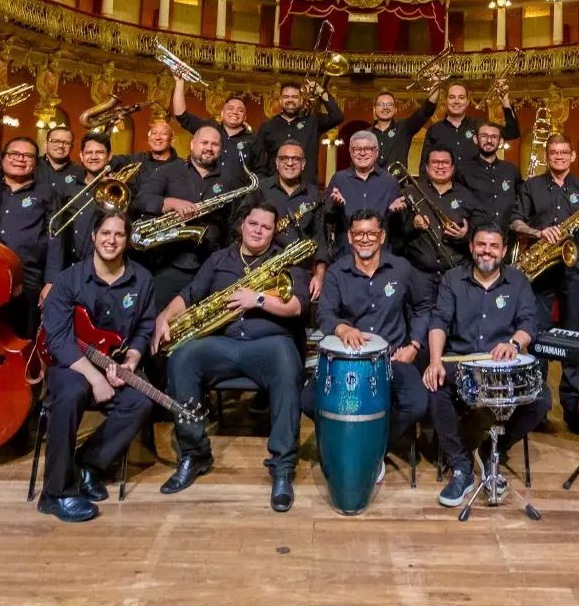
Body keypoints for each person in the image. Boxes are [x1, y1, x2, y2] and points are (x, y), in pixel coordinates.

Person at [153, 199, 308, 511]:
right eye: (253, 224)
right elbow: (191, 294)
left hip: (270, 344)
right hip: (223, 344)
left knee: (288, 363)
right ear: (242, 225)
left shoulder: (286, 260)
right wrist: (164, 317)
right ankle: (195, 454)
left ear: (273, 232)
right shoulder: (219, 259)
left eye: (266, 227)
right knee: (183, 359)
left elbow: (297, 306)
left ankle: (282, 467)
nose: (258, 231)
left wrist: (259, 299)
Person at [36, 211, 156, 523]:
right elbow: (58, 338)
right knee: (72, 393)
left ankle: (88, 464)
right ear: (93, 236)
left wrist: (131, 360)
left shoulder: (142, 279)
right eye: (105, 233)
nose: (111, 240)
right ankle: (55, 494)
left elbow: (144, 327)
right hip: (69, 365)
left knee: (140, 400)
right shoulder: (68, 279)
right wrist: (93, 377)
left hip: (114, 362)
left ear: (127, 240)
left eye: (119, 234)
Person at [422, 224, 550, 508]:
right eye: (481, 244)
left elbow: (530, 322)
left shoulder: (518, 281)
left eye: (493, 246)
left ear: (504, 251)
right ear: (471, 247)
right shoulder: (453, 279)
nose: (486, 251)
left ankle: (491, 448)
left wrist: (514, 344)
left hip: (501, 366)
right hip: (463, 363)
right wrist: (434, 361)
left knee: (541, 401)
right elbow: (439, 320)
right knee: (435, 386)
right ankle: (461, 467)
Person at [305, 209, 430, 467]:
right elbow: (326, 314)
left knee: (417, 403)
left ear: (382, 236)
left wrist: (414, 345)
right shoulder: (337, 272)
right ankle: (346, 441)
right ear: (349, 237)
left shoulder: (401, 268)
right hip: (348, 361)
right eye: (359, 233)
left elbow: (422, 307)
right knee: (306, 400)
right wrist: (342, 329)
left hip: (393, 358)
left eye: (371, 233)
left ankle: (372, 449)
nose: (365, 239)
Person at [510, 133, 579, 436]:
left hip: (573, 271)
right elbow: (515, 222)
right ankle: (539, 408)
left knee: (572, 339)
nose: (559, 157)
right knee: (536, 339)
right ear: (547, 155)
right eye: (554, 152)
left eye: (564, 152)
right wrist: (537, 233)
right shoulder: (532, 186)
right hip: (540, 272)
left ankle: (572, 409)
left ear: (572, 156)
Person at [0, 134, 67, 338]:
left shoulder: (47, 194)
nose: (20, 159)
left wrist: (51, 282)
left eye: (27, 156)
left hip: (27, 280)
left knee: (22, 339)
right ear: (2, 158)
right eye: (14, 154)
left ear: (36, 163)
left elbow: (55, 239)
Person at [135, 125, 236, 308]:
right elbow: (142, 200)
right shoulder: (169, 171)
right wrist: (171, 203)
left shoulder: (229, 180)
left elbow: (232, 222)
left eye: (215, 144)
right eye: (204, 142)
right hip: (167, 265)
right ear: (192, 144)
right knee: (157, 319)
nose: (209, 148)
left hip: (209, 266)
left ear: (220, 149)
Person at [391, 147, 472, 301]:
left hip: (455, 273)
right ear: (426, 168)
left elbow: (478, 232)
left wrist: (464, 235)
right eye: (435, 162)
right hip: (420, 276)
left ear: (453, 167)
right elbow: (396, 234)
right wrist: (413, 225)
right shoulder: (409, 192)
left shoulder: (466, 195)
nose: (440, 166)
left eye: (445, 162)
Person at [260, 139, 327, 296]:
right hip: (263, 272)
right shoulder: (261, 189)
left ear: (303, 164)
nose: (290, 163)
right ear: (277, 163)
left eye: (295, 159)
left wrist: (319, 275)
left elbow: (319, 236)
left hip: (301, 272)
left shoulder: (313, 193)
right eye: (284, 159)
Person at [324, 130, 404, 259]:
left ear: (376, 152)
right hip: (346, 255)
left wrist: (396, 212)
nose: (362, 153)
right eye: (356, 149)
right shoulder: (339, 179)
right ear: (350, 152)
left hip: (381, 256)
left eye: (368, 149)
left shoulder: (390, 181)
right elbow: (327, 218)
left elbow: (398, 228)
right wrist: (335, 205)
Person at [171, 77, 262, 182]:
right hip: (206, 192)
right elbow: (181, 115)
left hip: (241, 195)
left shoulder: (254, 140)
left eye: (240, 110)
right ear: (222, 113)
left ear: (245, 117)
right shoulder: (209, 128)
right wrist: (179, 83)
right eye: (230, 108)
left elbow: (261, 171)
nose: (235, 112)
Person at [421, 82, 520, 177]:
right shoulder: (435, 130)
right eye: (452, 97)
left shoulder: (480, 125)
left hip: (476, 190)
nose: (456, 101)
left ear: (468, 101)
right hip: (445, 191)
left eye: (461, 97)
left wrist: (506, 102)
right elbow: (424, 167)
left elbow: (512, 133)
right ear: (446, 101)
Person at [258, 80, 343, 187]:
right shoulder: (267, 126)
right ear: (280, 100)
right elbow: (258, 161)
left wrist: (321, 91)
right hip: (274, 189)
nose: (290, 100)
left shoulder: (313, 122)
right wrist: (264, 184)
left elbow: (337, 116)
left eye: (294, 97)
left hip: (307, 188)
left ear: (301, 100)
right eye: (286, 96)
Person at [459, 121, 523, 233]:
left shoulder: (511, 169)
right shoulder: (463, 171)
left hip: (508, 237)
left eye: (494, 137)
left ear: (501, 141)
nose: (489, 140)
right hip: (476, 239)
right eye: (484, 136)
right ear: (475, 139)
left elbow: (522, 199)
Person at [0, 120, 78, 192]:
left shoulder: (80, 172)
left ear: (72, 147)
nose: (60, 146)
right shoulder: (27, 163)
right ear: (46, 144)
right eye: (55, 141)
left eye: (66, 143)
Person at [62, 132, 113, 267]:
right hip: (69, 264)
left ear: (110, 156)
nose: (94, 157)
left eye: (100, 152)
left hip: (102, 265)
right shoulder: (69, 187)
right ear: (81, 156)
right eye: (89, 152)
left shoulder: (117, 187)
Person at [366, 88, 438, 171]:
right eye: (381, 104)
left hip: (398, 183)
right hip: (371, 183)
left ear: (395, 109)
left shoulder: (404, 127)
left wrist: (436, 83)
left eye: (389, 104)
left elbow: (427, 110)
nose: (385, 107)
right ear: (374, 109)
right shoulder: (365, 135)